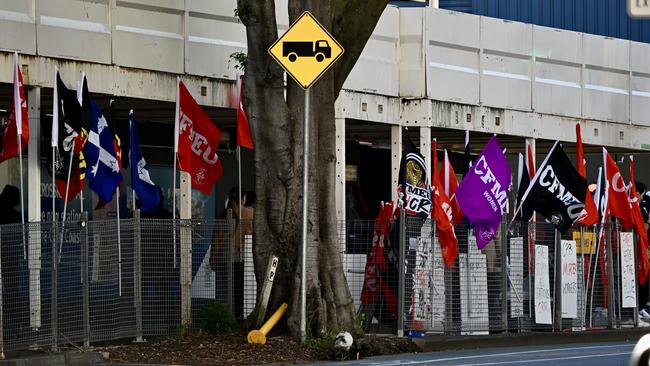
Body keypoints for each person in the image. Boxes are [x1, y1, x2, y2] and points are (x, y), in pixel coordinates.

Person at [0, 185, 24, 340]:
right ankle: (11, 327)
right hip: (10, 259)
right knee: (11, 292)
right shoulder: (16, 217)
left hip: (5, 256)